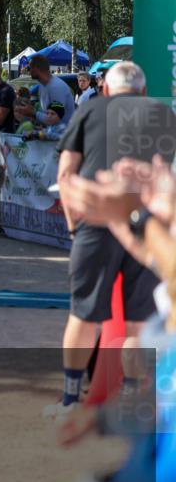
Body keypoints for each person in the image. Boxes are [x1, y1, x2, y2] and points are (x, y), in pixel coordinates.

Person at [47, 61, 176, 417]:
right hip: (145, 223)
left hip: (97, 221)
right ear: (144, 92)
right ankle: (132, 402)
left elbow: (65, 174)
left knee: (84, 314)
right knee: (140, 320)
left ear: (105, 90)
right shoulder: (163, 113)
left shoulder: (89, 110)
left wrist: (75, 228)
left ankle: (72, 399)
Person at [16, 54, 76, 127]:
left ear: (36, 69)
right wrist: (31, 111)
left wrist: (33, 113)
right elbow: (46, 114)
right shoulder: (42, 85)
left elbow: (54, 120)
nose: (28, 71)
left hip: (64, 135)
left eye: (29, 68)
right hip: (52, 133)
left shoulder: (56, 87)